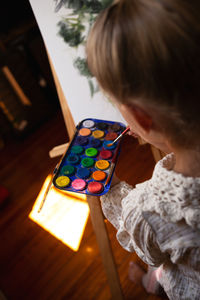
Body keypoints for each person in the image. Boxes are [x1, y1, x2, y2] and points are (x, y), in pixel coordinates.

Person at [86, 0, 200, 299]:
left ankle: (150, 285)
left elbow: (149, 250)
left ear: (141, 118)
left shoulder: (148, 210)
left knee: (162, 268)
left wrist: (107, 189)